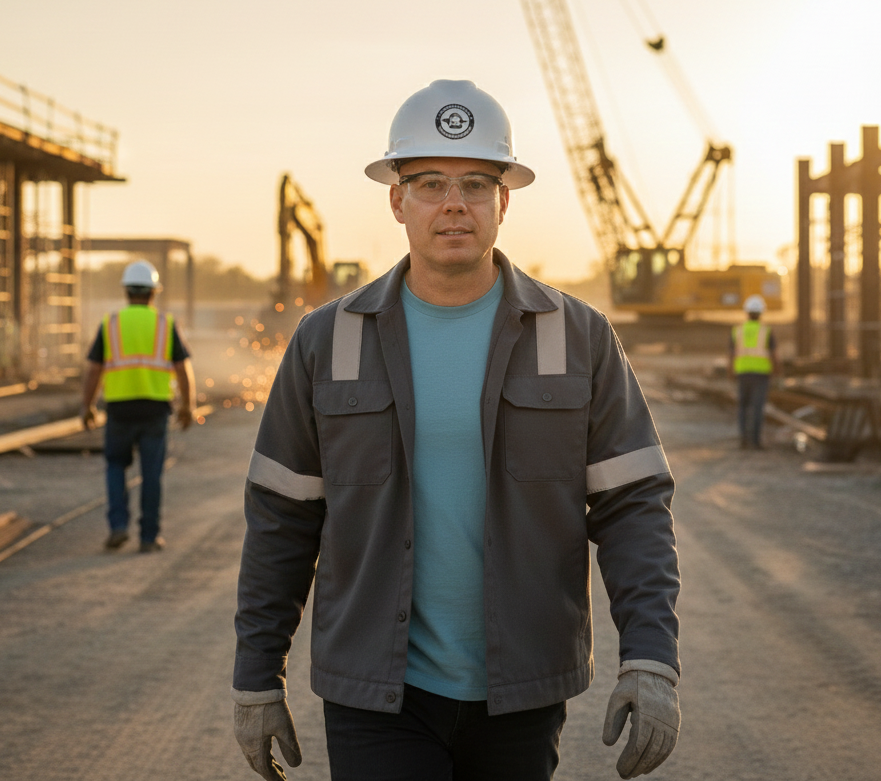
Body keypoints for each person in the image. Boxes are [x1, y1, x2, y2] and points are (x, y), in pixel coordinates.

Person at [232, 80, 681, 781]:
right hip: (377, 694)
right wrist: (257, 675)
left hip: (521, 689)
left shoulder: (576, 336)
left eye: (475, 183)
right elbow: (282, 515)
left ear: (503, 201)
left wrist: (650, 658)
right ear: (396, 199)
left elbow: (632, 506)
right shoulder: (328, 340)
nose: (453, 204)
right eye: (430, 183)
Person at [81, 259, 195, 552]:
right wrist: (187, 406)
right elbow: (183, 369)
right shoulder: (164, 324)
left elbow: (94, 369)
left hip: (119, 409)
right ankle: (149, 536)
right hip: (155, 410)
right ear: (153, 292)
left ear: (126, 292)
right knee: (152, 474)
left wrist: (88, 406)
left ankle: (118, 527)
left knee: (116, 466)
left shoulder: (112, 323)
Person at [729, 294, 778, 449]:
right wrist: (778, 371)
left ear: (747, 312)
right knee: (757, 408)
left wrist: (730, 371)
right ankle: (756, 441)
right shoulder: (766, 331)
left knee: (743, 406)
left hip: (742, 372)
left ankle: (743, 440)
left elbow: (731, 354)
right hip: (761, 374)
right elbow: (774, 355)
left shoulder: (738, 330)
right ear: (761, 313)